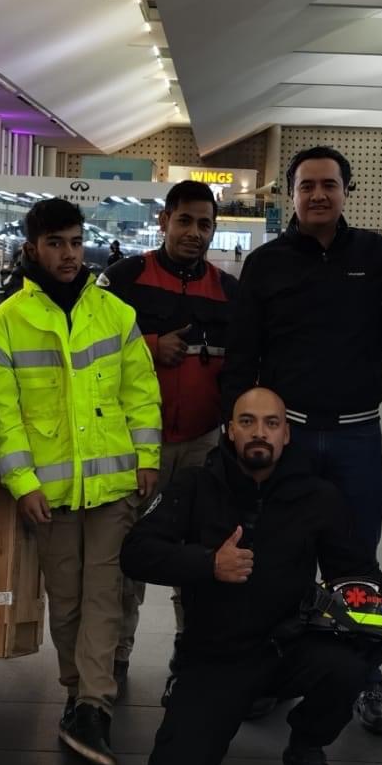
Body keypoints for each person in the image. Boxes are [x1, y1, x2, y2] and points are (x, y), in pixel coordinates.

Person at [122, 386, 382, 765]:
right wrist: (208, 564)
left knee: (351, 664)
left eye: (271, 423)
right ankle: (209, 731)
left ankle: (305, 747)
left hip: (288, 648)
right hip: (215, 658)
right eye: (247, 422)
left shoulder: (318, 497)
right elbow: (136, 552)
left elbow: (358, 572)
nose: (258, 432)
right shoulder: (194, 485)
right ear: (229, 432)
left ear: (286, 436)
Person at [220, 145, 382, 729]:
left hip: (356, 437)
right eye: (306, 186)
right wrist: (237, 428)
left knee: (358, 562)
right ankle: (273, 674)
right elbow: (243, 352)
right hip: (287, 437)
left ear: (347, 191)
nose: (318, 194)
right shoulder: (267, 264)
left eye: (329, 184)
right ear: (291, 195)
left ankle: (365, 679)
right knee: (278, 559)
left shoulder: (375, 256)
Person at [0, 197, 162, 765]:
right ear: (32, 247)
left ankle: (93, 705)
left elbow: (140, 392)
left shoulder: (115, 314)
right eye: (56, 243)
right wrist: (22, 480)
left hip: (113, 483)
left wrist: (148, 458)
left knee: (104, 591)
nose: (68, 254)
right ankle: (74, 691)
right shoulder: (4, 323)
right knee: (65, 597)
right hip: (50, 493)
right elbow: (3, 415)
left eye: (76, 242)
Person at [100, 180, 238, 678]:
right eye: (185, 221)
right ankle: (114, 656)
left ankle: (191, 650)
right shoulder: (123, 279)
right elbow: (92, 356)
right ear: (164, 221)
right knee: (126, 553)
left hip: (202, 443)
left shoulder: (229, 292)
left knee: (199, 553)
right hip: (136, 446)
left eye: (205, 224)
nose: (194, 233)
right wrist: (151, 346)